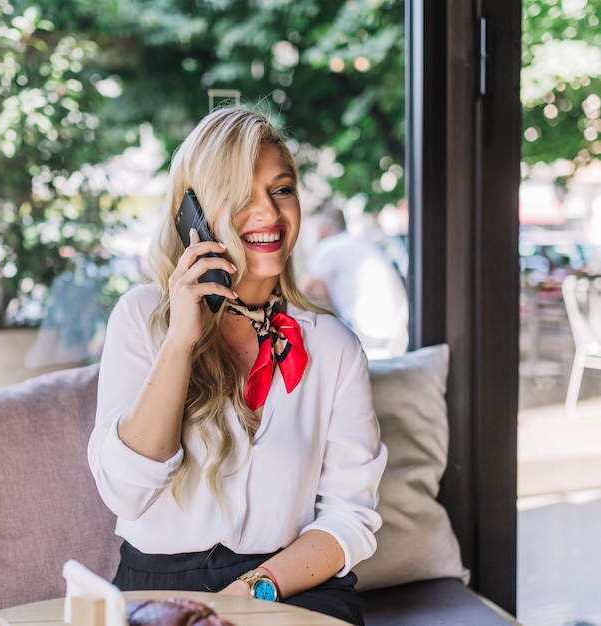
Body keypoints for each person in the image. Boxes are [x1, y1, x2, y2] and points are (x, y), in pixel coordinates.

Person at [88, 107, 387, 626]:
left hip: (287, 585)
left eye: (281, 189)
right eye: (241, 195)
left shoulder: (335, 347)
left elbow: (350, 517)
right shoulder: (140, 318)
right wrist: (180, 341)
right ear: (194, 214)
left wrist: (251, 590)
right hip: (155, 587)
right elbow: (126, 492)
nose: (268, 214)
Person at [301, 206, 408, 359]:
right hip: (395, 335)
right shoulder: (360, 243)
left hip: (370, 335)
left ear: (322, 228)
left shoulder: (329, 247)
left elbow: (299, 293)